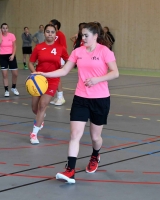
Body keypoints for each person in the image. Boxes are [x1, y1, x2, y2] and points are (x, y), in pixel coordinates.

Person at [34, 22, 119, 183]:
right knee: (74, 135)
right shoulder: (78, 52)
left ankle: (95, 155)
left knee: (95, 137)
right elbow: (64, 70)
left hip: (100, 99)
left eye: (86, 35)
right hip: (81, 98)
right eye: (82, 35)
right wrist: (43, 74)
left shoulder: (104, 51)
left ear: (95, 36)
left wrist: (97, 80)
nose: (83, 38)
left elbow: (115, 73)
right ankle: (70, 170)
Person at [28, 24, 69, 145]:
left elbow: (69, 60)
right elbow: (31, 62)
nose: (50, 34)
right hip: (39, 80)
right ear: (44, 33)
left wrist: (63, 68)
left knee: (42, 105)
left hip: (53, 80)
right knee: (34, 108)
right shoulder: (38, 47)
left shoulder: (61, 48)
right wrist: (35, 73)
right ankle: (40, 118)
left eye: (52, 32)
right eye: (48, 32)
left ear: (56, 34)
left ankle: (34, 133)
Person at [0, 23, 19, 97]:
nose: (5, 29)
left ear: (8, 29)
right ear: (1, 29)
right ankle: (6, 90)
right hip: (3, 56)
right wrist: (0, 33)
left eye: (6, 28)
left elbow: (14, 46)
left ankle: (13, 87)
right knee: (5, 75)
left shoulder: (12, 35)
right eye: (3, 28)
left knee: (15, 74)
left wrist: (13, 55)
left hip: (11, 56)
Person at [49, 19, 67, 106]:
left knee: (57, 77)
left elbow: (63, 47)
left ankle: (61, 97)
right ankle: (58, 96)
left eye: (50, 24)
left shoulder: (60, 35)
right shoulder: (52, 35)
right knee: (53, 77)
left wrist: (62, 60)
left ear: (55, 26)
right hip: (53, 58)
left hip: (59, 58)